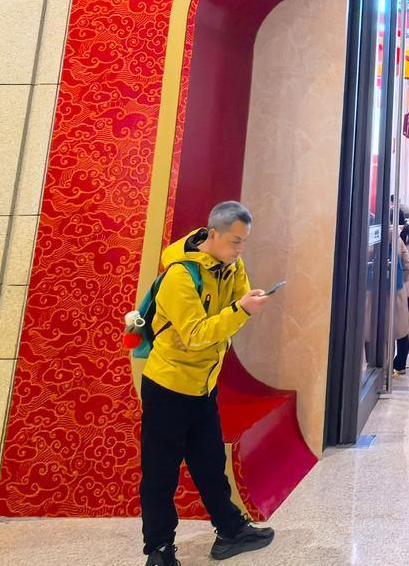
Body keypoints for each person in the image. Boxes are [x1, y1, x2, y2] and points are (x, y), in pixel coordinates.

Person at [139, 201, 276, 566]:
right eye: (235, 241)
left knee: (210, 462)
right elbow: (197, 334)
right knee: (160, 471)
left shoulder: (231, 266)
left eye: (244, 241)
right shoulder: (180, 277)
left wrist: (243, 305)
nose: (240, 250)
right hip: (168, 386)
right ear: (213, 234)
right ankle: (159, 549)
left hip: (203, 384)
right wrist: (240, 310)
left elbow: (233, 308)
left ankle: (230, 530)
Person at [391, 222, 409, 375]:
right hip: (397, 288)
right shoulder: (398, 239)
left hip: (374, 291)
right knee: (401, 328)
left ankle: (381, 366)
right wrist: (404, 288)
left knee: (379, 328)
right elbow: (408, 266)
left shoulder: (372, 235)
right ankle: (400, 363)